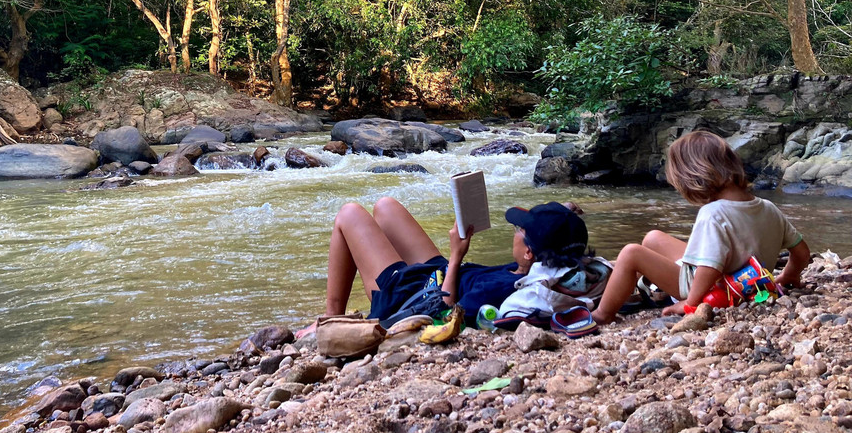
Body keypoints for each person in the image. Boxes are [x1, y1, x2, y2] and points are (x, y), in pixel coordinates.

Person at [592, 130, 811, 325]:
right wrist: (790, 276)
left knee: (631, 253)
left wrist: (690, 303)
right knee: (652, 238)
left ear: (693, 177)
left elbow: (710, 269)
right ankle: (639, 283)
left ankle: (603, 313)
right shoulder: (768, 207)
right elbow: (801, 252)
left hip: (714, 289)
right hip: (747, 283)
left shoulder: (712, 213)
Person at [298, 195, 593, 335]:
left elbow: (447, 312)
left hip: (414, 295)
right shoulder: (539, 267)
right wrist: (563, 216)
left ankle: (330, 318)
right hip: (437, 274)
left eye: (520, 231)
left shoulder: (503, 286)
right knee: (386, 206)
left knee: (349, 214)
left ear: (529, 252)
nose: (515, 233)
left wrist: (456, 256)